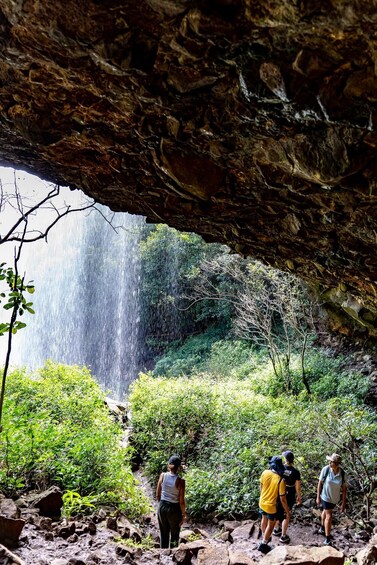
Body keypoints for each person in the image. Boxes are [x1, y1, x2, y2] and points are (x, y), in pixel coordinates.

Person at [258, 456, 290, 554]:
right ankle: (263, 544)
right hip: (271, 506)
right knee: (271, 525)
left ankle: (265, 536)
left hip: (262, 502)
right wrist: (287, 511)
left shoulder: (265, 472)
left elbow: (261, 487)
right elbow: (282, 499)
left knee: (264, 519)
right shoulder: (281, 480)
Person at [316, 453, 347, 546]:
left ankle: (322, 527)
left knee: (325, 512)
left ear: (336, 463)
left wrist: (343, 504)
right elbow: (320, 483)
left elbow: (344, 490)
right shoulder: (326, 469)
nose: (329, 462)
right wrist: (318, 497)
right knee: (329, 515)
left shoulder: (342, 473)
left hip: (335, 498)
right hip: (325, 496)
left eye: (332, 461)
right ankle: (328, 538)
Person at [156, 455, 186, 549]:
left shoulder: (163, 476)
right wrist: (184, 514)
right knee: (175, 534)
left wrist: (162, 505)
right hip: (174, 509)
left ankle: (163, 556)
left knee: (164, 533)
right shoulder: (180, 481)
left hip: (162, 506)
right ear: (179, 467)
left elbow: (157, 494)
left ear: (169, 465)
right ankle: (173, 556)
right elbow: (181, 501)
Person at [273, 450, 302, 544]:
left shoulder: (280, 468)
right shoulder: (296, 472)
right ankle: (283, 535)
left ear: (285, 459)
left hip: (279, 492)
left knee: (278, 511)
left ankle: (277, 529)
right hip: (290, 493)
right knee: (287, 513)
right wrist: (299, 497)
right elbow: (297, 486)